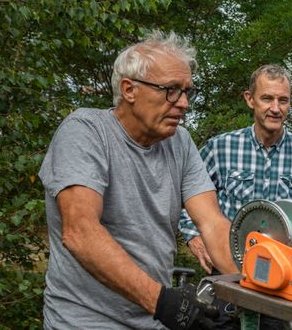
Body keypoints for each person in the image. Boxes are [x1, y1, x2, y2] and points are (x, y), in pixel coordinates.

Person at [38, 31, 238, 329]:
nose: (183, 103)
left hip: (152, 319)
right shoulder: (86, 131)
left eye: (186, 92)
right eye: (171, 90)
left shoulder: (179, 142)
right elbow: (80, 232)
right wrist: (164, 303)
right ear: (129, 89)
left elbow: (212, 223)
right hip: (85, 322)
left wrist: (254, 294)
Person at [178, 64, 292, 328]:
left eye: (283, 100)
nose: (275, 108)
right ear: (249, 99)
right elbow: (185, 193)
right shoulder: (221, 149)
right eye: (267, 98)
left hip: (283, 289)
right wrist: (193, 236)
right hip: (228, 280)